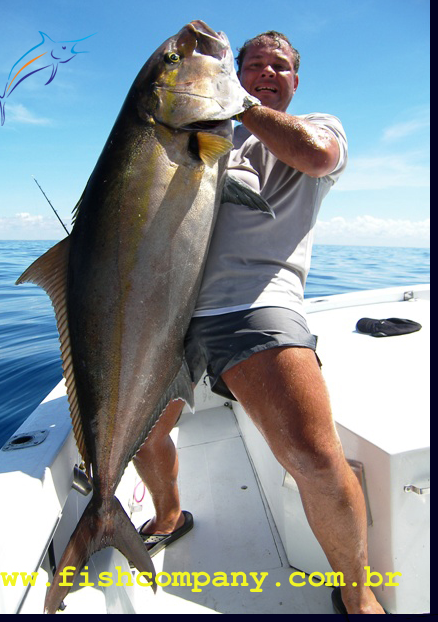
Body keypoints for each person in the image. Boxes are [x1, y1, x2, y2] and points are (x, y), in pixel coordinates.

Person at [133, 31, 385, 615]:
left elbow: (317, 156)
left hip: (252, 300)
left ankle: (358, 591)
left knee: (311, 454)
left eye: (280, 66)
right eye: (253, 65)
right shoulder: (197, 137)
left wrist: (233, 98)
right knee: (142, 432)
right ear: (238, 71)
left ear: (295, 81)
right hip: (170, 310)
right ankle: (170, 515)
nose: (267, 72)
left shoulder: (319, 127)